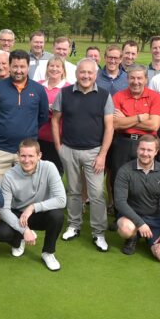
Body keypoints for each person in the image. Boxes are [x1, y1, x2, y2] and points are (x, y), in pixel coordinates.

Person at [52, 59, 114, 252]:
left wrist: (103, 154)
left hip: (94, 152)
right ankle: (74, 225)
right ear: (76, 73)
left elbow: (109, 126)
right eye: (82, 72)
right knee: (73, 190)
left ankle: (98, 232)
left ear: (95, 75)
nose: (86, 76)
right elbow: (55, 121)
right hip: (69, 149)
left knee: (96, 194)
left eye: (90, 73)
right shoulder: (64, 93)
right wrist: (58, 147)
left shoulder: (104, 95)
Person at [0, 139, 66, 271]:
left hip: (39, 213)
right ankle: (19, 239)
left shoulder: (49, 167)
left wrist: (33, 207)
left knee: (57, 215)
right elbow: (4, 210)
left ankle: (48, 253)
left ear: (39, 156)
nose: (26, 160)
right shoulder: (9, 176)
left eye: (31, 156)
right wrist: (24, 230)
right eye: (23, 156)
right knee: (1, 233)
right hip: (18, 214)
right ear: (18, 155)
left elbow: (61, 200)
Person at [0, 49, 48, 183]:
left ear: (28, 67)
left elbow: (43, 117)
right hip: (1, 149)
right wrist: (4, 129)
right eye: (15, 66)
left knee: (25, 191)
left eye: (22, 67)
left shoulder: (38, 90)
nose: (19, 70)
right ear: (10, 67)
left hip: (27, 151)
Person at [110, 65, 160, 212]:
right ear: (127, 79)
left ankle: (143, 212)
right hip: (122, 142)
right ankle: (120, 214)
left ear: (146, 79)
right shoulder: (119, 96)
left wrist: (126, 119)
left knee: (144, 179)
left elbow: (154, 125)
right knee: (119, 178)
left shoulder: (154, 96)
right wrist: (139, 117)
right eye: (132, 78)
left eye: (140, 78)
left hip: (146, 142)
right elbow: (115, 124)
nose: (136, 81)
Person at [114, 135, 160, 262]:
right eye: (142, 149)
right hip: (131, 217)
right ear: (137, 149)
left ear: (156, 152)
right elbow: (120, 202)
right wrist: (140, 223)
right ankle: (132, 238)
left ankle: (149, 238)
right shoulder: (125, 171)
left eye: (149, 150)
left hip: (155, 218)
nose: (145, 153)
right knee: (126, 229)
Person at [37, 57, 72, 177]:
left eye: (58, 66)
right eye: (51, 66)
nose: (54, 69)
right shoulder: (38, 85)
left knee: (55, 173)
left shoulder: (69, 88)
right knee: (37, 171)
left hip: (58, 138)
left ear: (63, 70)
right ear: (47, 69)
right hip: (38, 136)